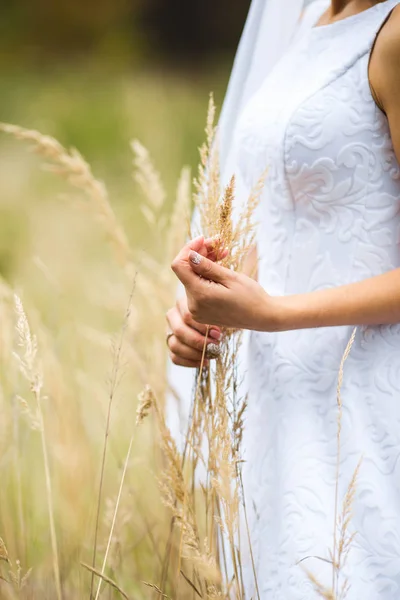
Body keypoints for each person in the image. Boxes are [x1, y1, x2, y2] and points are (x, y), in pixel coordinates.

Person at [167, 0, 400, 597]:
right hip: (279, 400)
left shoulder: (394, 36)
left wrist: (275, 315)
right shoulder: (306, 21)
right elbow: (281, 217)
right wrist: (209, 306)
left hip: (366, 396)